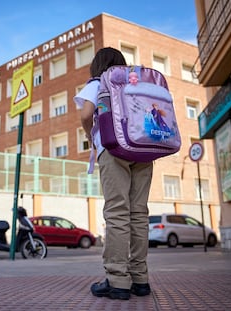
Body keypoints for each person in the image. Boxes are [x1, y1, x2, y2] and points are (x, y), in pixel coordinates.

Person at [74, 47, 153, 300]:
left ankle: (118, 280)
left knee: (117, 210)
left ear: (97, 66)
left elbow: (86, 114)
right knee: (138, 212)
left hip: (113, 147)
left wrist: (90, 135)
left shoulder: (98, 82)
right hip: (144, 149)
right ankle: (140, 280)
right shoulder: (135, 83)